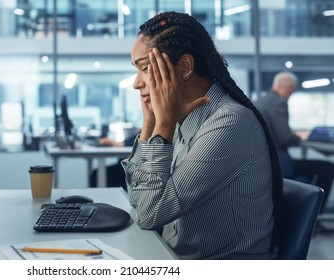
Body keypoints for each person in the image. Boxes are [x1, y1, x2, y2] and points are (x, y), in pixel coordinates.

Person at [121, 11, 282, 260]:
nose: (137, 83)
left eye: (144, 69)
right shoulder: (182, 119)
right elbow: (137, 198)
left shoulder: (230, 123)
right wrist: (150, 124)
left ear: (184, 67)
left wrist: (163, 123)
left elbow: (148, 214)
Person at [254, 71, 334, 214]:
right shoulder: (279, 103)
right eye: (293, 89)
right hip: (280, 163)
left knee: (317, 166)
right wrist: (299, 138)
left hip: (265, 161)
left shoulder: (261, 100)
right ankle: (314, 215)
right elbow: (285, 138)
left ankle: (309, 211)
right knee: (327, 167)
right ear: (289, 88)